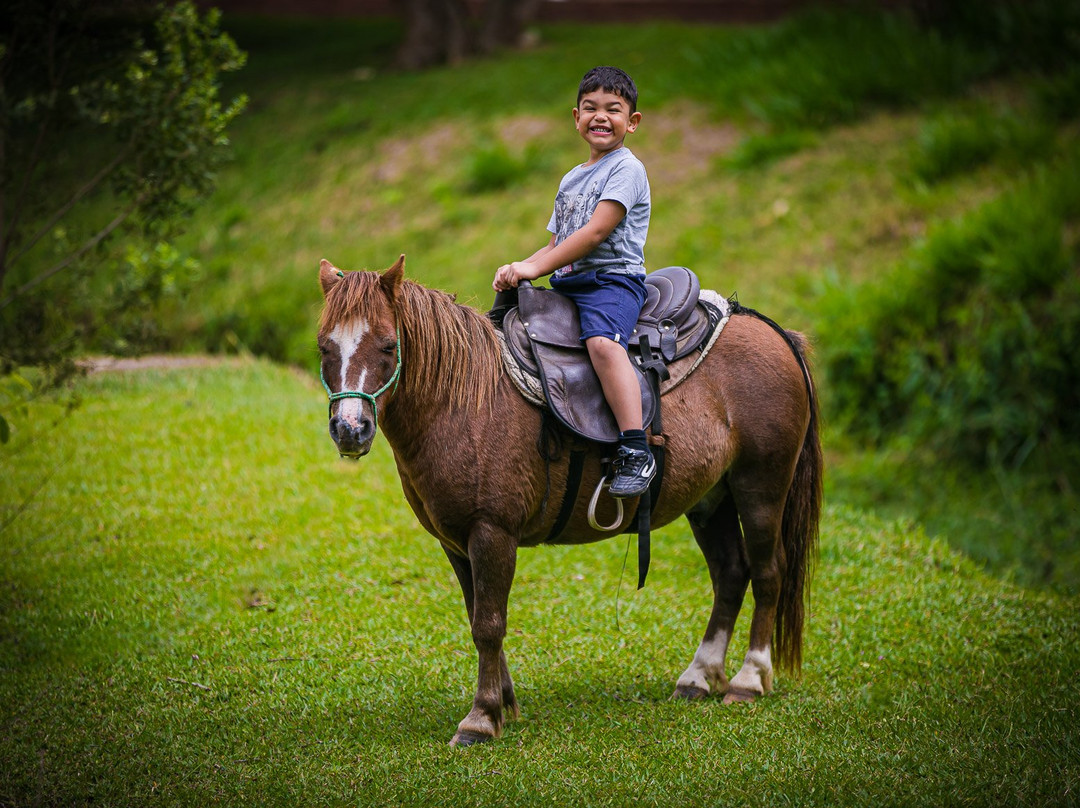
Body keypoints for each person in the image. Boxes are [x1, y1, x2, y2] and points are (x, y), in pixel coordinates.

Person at [493, 65, 655, 498]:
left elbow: (596, 232)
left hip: (610, 282)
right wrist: (519, 266)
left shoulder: (627, 169)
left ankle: (635, 447)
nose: (600, 117)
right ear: (576, 117)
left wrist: (536, 269)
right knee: (509, 323)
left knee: (602, 344)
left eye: (613, 109)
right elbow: (556, 243)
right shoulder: (571, 178)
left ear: (632, 122)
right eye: (590, 108)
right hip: (569, 283)